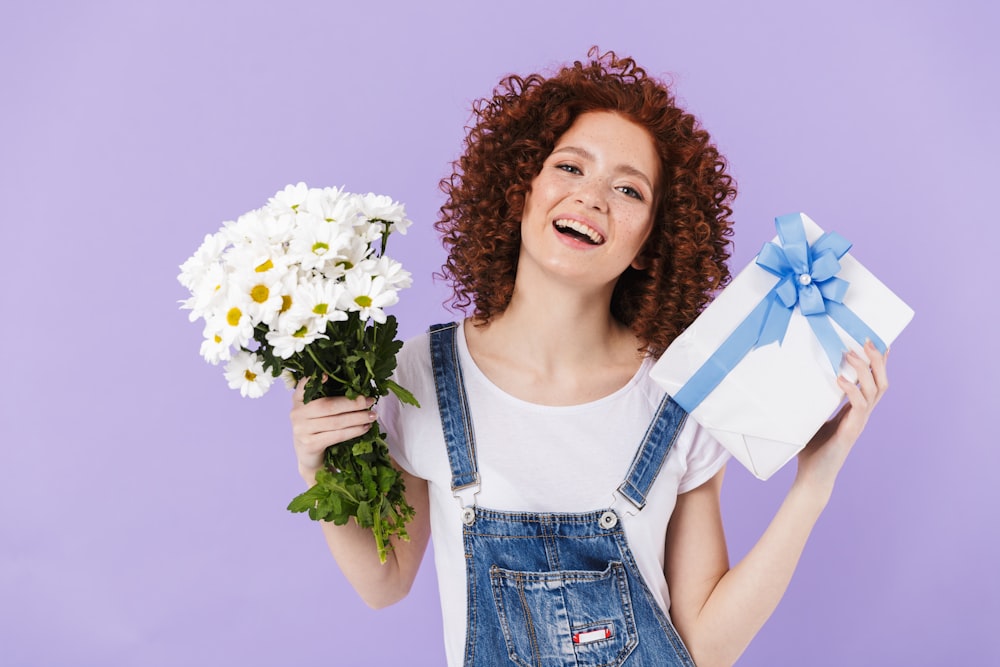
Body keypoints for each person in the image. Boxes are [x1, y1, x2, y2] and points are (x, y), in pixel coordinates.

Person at [289, 49, 889, 667]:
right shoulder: (420, 375)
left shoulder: (679, 395)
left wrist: (815, 481)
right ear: (520, 189)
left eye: (628, 188)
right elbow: (383, 584)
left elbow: (707, 649)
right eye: (570, 167)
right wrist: (317, 463)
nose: (592, 197)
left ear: (649, 243)